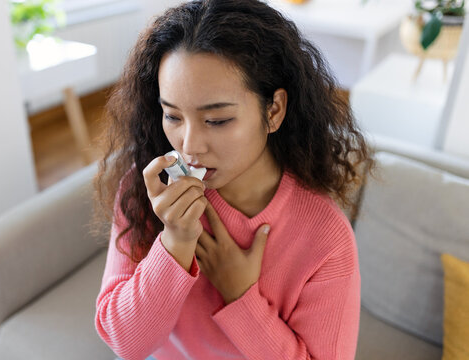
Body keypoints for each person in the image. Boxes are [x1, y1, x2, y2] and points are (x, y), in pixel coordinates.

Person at [92, 0, 376, 359]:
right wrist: (175, 242)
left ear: (273, 110)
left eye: (217, 120)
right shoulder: (150, 188)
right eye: (173, 116)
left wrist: (241, 297)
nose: (189, 146)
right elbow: (127, 344)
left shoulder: (325, 238)